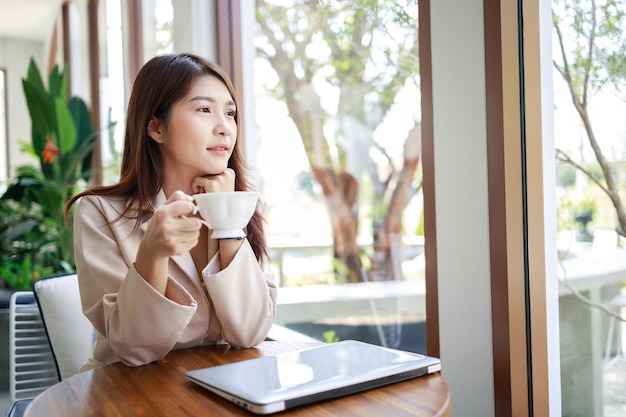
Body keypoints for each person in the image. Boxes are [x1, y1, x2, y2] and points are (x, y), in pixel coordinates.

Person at [65, 53, 277, 370]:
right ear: (156, 128)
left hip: (221, 391)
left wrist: (227, 220)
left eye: (230, 113)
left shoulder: (243, 207)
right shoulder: (101, 213)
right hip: (129, 395)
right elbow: (136, 348)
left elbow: (250, 332)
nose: (225, 128)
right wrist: (152, 252)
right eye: (205, 109)